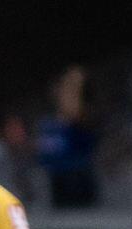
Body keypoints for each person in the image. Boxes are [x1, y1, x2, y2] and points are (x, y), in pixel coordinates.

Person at [35, 65, 99, 207]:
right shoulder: (47, 124)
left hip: (78, 184)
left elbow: (77, 113)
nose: (67, 95)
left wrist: (76, 81)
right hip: (51, 185)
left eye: (74, 91)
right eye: (65, 88)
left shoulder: (84, 121)